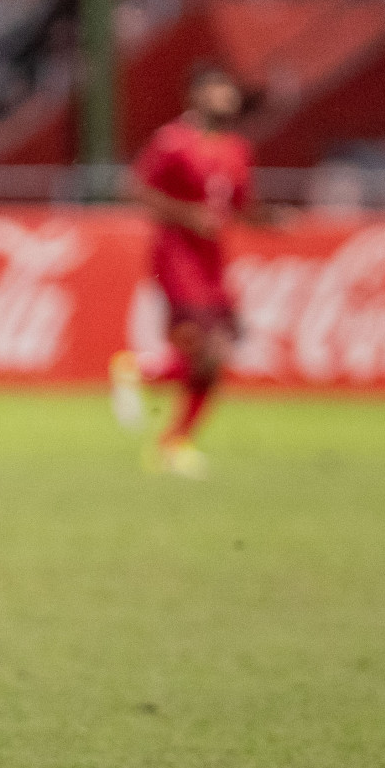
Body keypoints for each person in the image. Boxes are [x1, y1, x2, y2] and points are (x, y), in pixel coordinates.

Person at [111, 65, 280, 478]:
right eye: (218, 88)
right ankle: (144, 383)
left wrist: (273, 219)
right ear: (196, 95)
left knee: (215, 360)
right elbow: (134, 188)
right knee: (208, 349)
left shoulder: (238, 149)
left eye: (230, 89)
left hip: (213, 262)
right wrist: (186, 215)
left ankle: (170, 432)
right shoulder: (173, 142)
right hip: (177, 258)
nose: (228, 97)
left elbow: (239, 206)